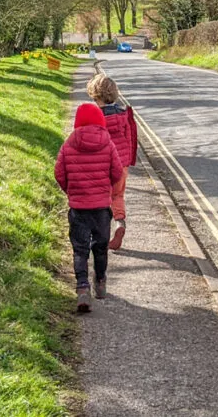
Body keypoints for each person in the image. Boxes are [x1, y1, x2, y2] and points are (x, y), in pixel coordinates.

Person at [55, 102, 124, 312]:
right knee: (100, 247)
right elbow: (117, 172)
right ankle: (101, 281)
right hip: (102, 208)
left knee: (80, 249)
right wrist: (106, 189)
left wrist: (71, 191)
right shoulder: (108, 143)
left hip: (78, 209)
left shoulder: (69, 144)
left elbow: (59, 173)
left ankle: (82, 287)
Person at [85, 73, 137, 250]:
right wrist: (127, 162)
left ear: (95, 95)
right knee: (118, 196)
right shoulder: (124, 115)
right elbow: (130, 141)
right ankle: (120, 224)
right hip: (121, 166)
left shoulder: (94, 117)